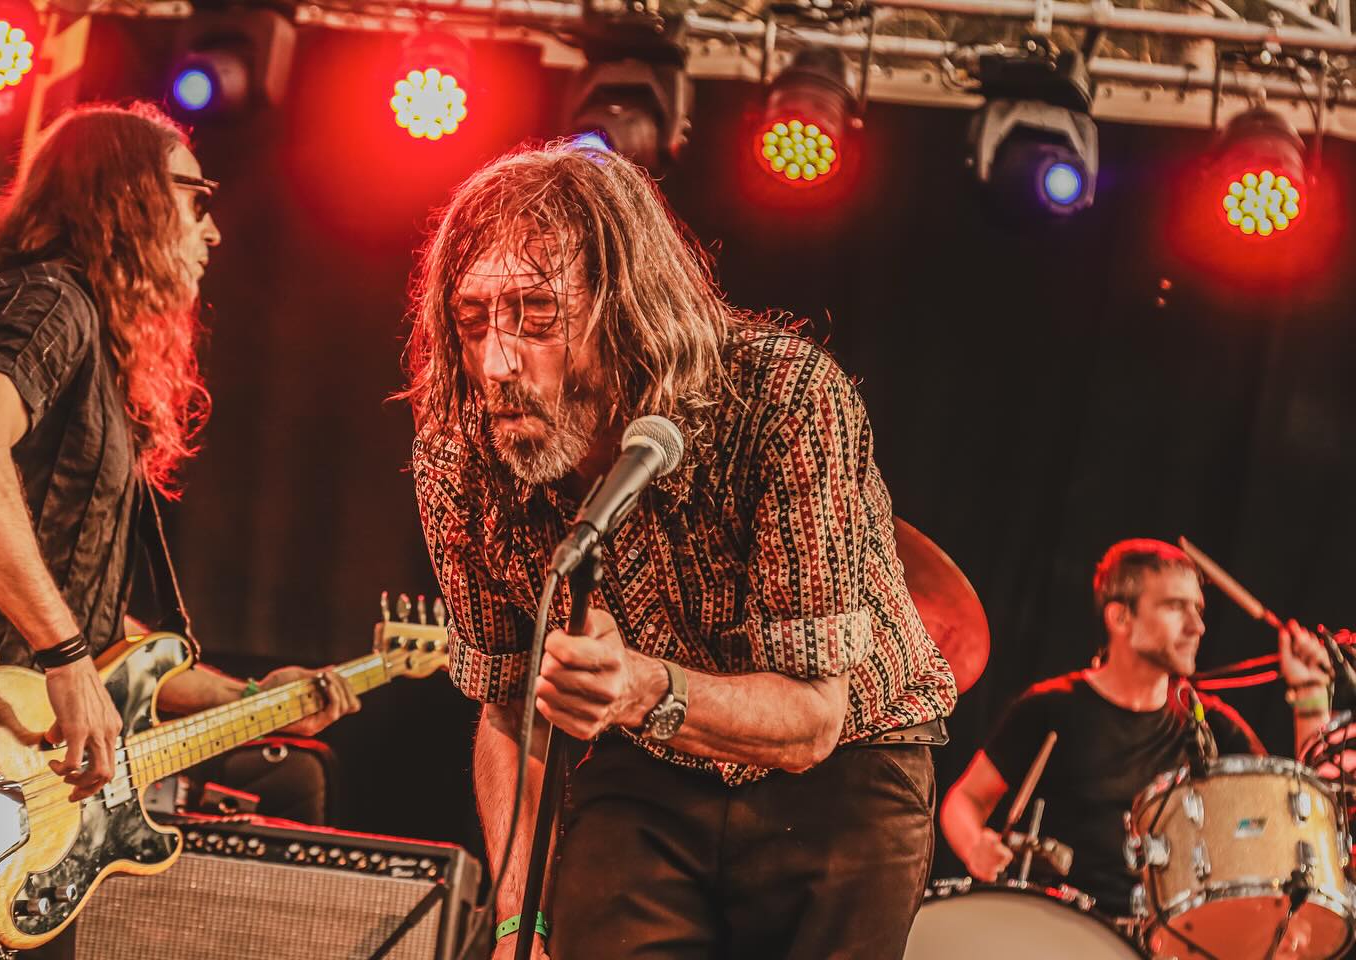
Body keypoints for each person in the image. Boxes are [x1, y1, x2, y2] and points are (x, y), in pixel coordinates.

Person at [404, 142, 957, 960]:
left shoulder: (785, 399)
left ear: (624, 308)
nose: (496, 362)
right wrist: (521, 920)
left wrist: (638, 687)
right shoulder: (459, 456)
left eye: (537, 315)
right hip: (645, 770)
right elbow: (506, 707)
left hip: (846, 766)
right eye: (473, 319)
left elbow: (813, 719)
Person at [0, 102, 360, 957]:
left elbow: (90, 619)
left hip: (20, 787)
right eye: (197, 197)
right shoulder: (48, 301)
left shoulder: (87, 341)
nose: (212, 230)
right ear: (128, 200)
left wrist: (250, 702)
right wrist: (65, 658)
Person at [941, 537, 1331, 918]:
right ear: (1120, 617)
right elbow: (964, 801)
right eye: (1175, 606)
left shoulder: (1208, 724)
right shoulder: (1050, 707)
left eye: (1198, 609)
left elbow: (1302, 813)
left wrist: (1311, 693)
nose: (1197, 626)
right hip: (1056, 924)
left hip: (1163, 937)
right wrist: (976, 845)